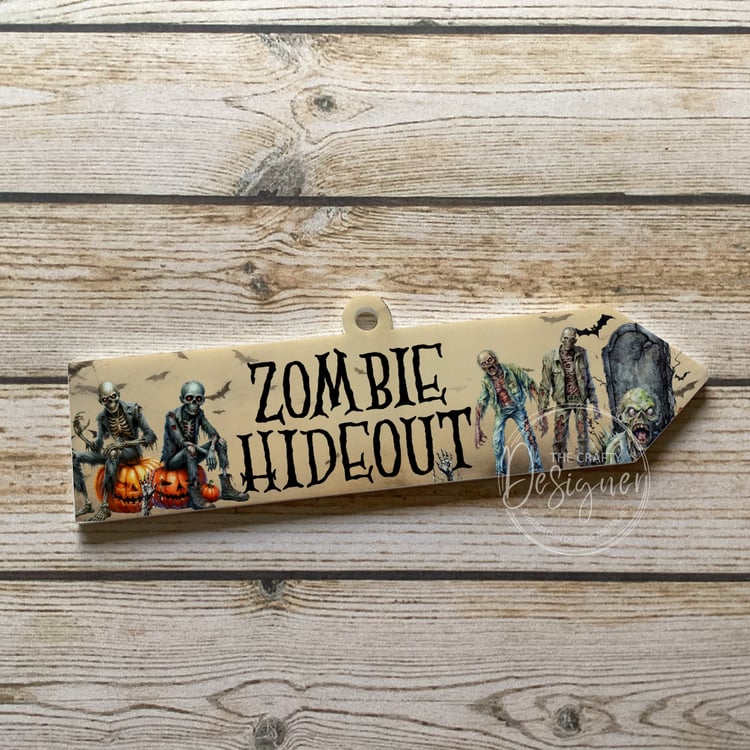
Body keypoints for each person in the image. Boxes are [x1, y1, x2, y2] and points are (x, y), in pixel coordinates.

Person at [73, 381, 157, 521]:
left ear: (118, 395)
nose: (110, 402)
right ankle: (87, 503)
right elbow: (98, 446)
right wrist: (82, 436)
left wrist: (124, 444)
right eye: (105, 399)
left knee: (113, 454)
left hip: (132, 452)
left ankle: (105, 507)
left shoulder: (134, 409)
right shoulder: (102, 417)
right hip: (115, 451)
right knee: (75, 456)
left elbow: (150, 436)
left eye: (113, 397)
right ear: (101, 401)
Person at [161, 380, 249, 509]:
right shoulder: (171, 416)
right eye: (189, 399)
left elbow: (213, 433)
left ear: (202, 400)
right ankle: (195, 495)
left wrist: (212, 449)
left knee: (221, 442)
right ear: (182, 399)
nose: (194, 404)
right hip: (174, 461)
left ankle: (226, 488)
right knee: (190, 449)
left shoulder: (199, 414)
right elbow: (182, 441)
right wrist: (205, 452)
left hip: (192, 454)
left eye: (198, 399)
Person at [539, 327, 600, 467]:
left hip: (579, 400)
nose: (568, 342)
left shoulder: (581, 353)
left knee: (583, 435)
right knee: (559, 437)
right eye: (565, 338)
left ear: (575, 340)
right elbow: (545, 383)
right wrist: (542, 406)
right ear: (561, 339)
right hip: (562, 401)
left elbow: (588, 377)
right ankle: (559, 466)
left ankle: (583, 465)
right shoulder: (550, 357)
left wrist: (594, 400)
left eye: (571, 339)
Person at [474, 350, 544, 475]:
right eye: (484, 364)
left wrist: (541, 412)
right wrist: (477, 427)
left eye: (490, 360)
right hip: (501, 411)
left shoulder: (512, 369)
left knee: (529, 435)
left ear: (495, 359)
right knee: (496, 441)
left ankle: (536, 466)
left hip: (517, 408)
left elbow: (530, 385)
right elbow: (481, 402)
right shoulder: (486, 381)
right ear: (482, 368)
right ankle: (501, 471)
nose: (488, 365)